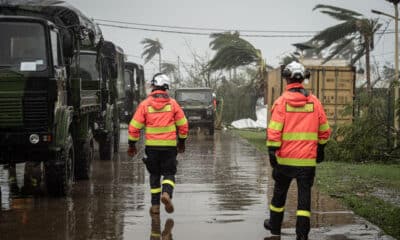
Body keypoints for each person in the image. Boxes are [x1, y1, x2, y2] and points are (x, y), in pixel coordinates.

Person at [264, 61, 331, 240]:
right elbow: (324, 130)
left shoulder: (281, 102)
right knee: (304, 199)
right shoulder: (315, 102)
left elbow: (274, 130)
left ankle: (275, 227)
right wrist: (321, 148)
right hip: (307, 163)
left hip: (284, 161)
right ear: (303, 79)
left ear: (286, 79)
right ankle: (302, 234)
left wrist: (272, 152)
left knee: (279, 195)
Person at [127, 73, 189, 215]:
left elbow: (134, 127)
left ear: (154, 85)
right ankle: (166, 194)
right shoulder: (173, 104)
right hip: (169, 147)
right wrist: (182, 142)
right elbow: (183, 125)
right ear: (166, 87)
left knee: (154, 176)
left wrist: (132, 145)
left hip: (152, 148)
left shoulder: (145, 104)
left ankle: (155, 206)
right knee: (169, 173)